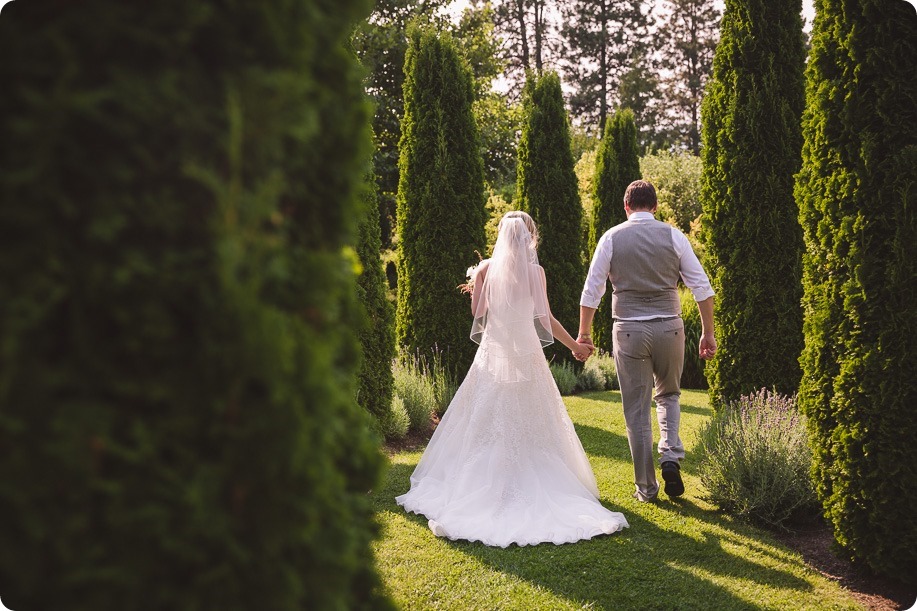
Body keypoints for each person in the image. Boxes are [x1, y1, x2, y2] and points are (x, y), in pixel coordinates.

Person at [396, 211, 629, 547]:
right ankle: (527, 476)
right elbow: (545, 317)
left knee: (486, 415)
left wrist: (478, 282)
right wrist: (576, 345)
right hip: (526, 352)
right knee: (532, 415)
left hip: (495, 351)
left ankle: (485, 479)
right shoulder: (536, 272)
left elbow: (478, 314)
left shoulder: (488, 268)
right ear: (529, 238)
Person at [577, 180, 716, 502]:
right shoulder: (673, 235)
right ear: (654, 206)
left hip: (628, 331)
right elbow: (702, 288)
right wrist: (708, 333)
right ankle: (670, 455)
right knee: (669, 395)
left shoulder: (611, 238)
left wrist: (584, 333)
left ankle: (647, 488)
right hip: (670, 328)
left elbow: (592, 289)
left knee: (636, 411)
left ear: (627, 207)